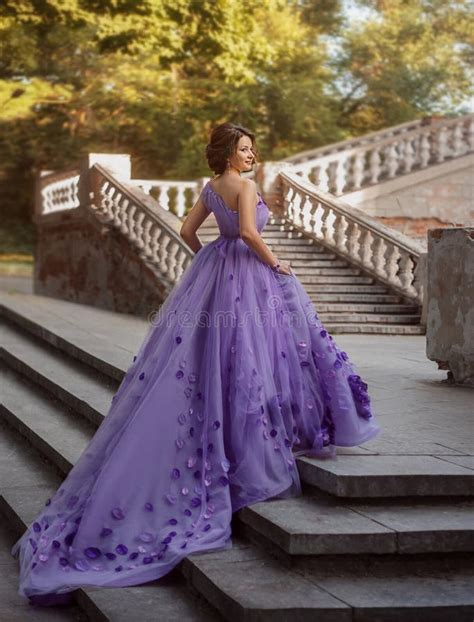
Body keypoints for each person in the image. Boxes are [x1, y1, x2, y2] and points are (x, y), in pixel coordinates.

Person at [11, 122, 380, 605]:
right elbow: (248, 231)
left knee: (218, 359)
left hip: (215, 273)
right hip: (251, 276)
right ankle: (255, 448)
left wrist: (210, 260)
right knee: (258, 358)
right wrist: (274, 263)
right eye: (245, 149)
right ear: (229, 153)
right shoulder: (245, 187)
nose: (252, 156)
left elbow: (187, 232)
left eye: (252, 149)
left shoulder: (211, 187)